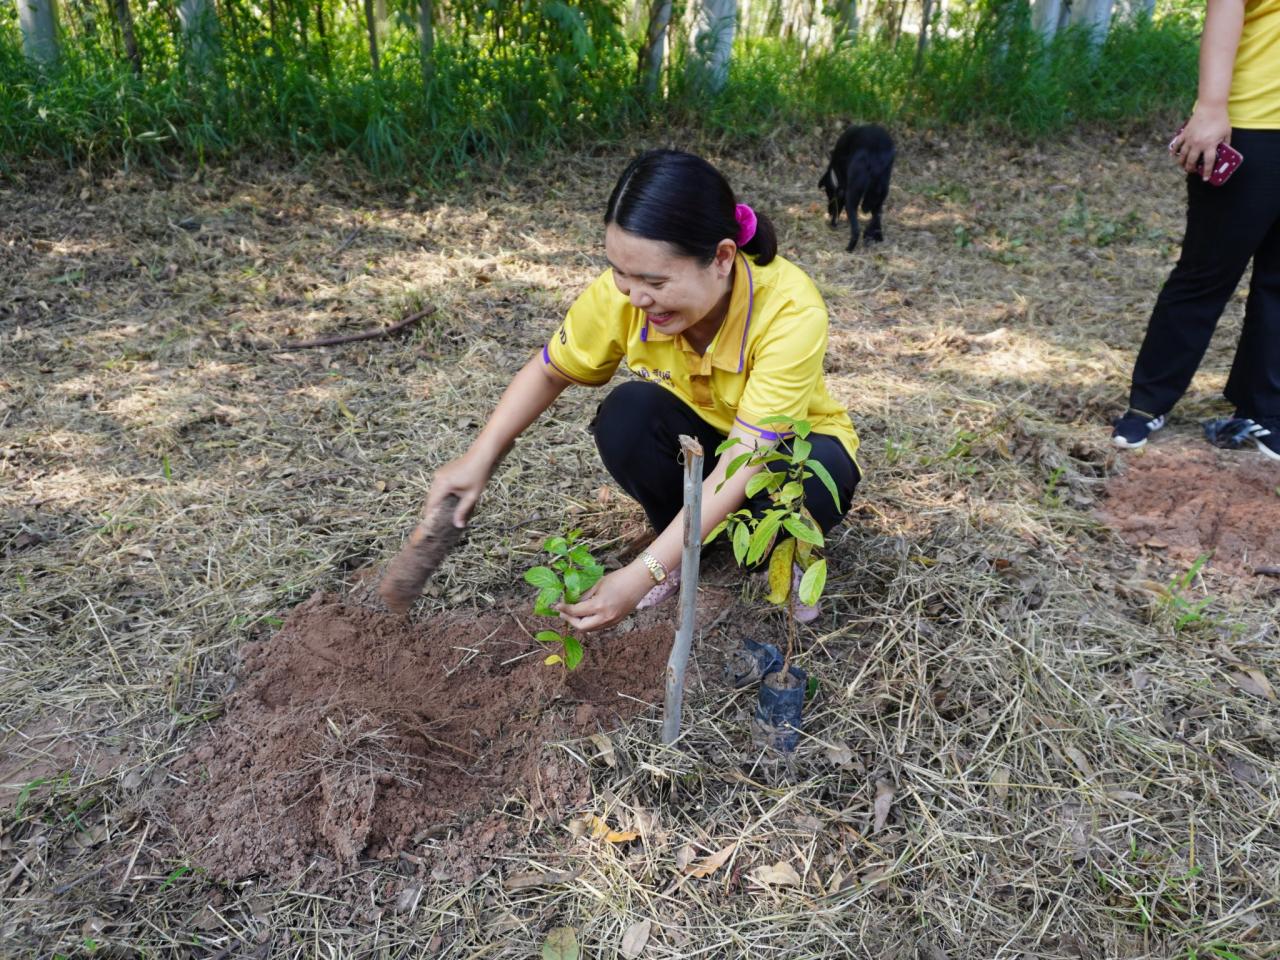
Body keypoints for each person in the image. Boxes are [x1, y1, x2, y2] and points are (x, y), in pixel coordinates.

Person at [420, 149, 861, 633]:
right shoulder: (626, 294)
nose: (636, 296)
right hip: (703, 440)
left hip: (778, 449)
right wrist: (479, 458)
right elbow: (549, 371)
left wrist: (642, 572)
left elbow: (746, 455)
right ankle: (682, 543)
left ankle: (777, 555)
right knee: (627, 415)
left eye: (655, 280)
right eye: (620, 272)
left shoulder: (789, 310)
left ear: (721, 258)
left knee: (813, 479)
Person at [1111, 0, 1279, 461]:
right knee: (1206, 273)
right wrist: (1210, 106)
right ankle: (1148, 403)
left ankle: (1265, 409)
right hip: (1252, 123)